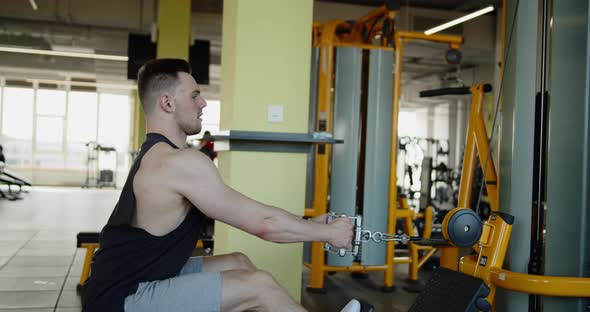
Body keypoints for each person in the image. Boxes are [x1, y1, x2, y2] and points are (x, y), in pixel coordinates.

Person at [81, 59, 357, 312]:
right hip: (122, 299)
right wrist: (329, 234)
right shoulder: (178, 163)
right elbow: (264, 224)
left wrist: (315, 226)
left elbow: (256, 214)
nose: (203, 104)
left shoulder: (158, 154)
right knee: (259, 286)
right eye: (194, 95)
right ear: (167, 103)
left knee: (237, 262)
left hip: (134, 280)